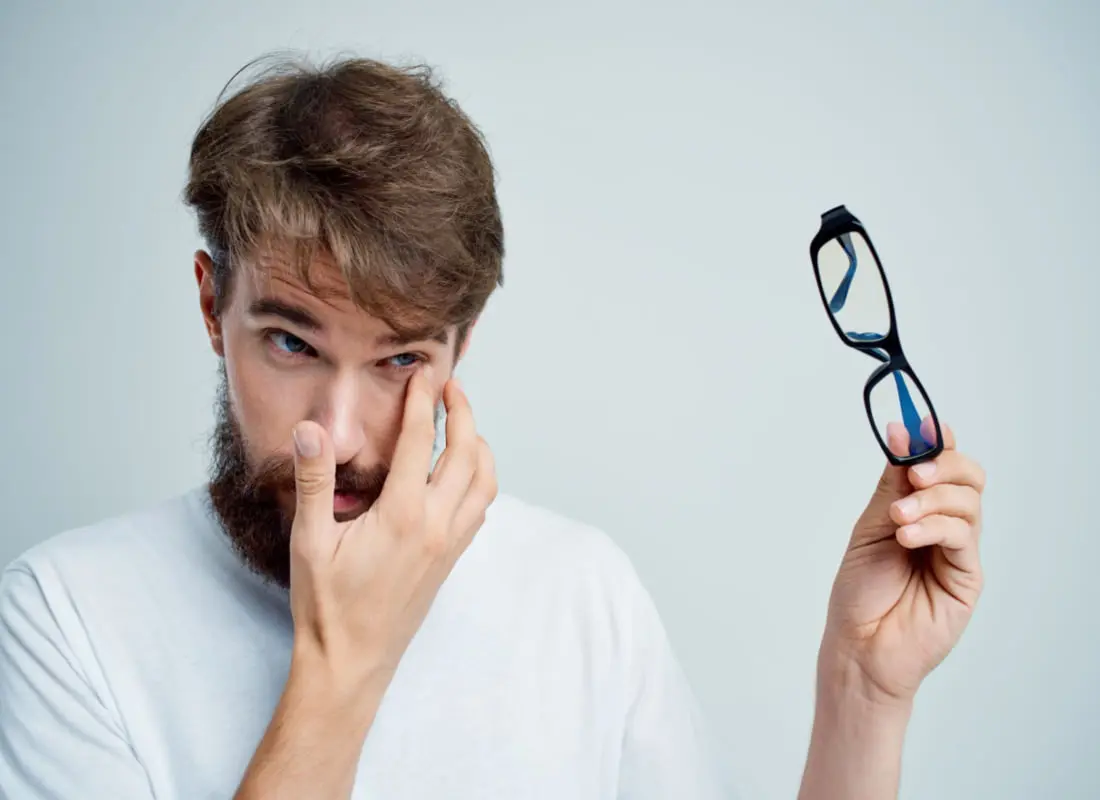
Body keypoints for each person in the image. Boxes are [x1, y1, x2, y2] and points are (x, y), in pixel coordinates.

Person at [0, 54, 986, 800]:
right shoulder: (64, 620)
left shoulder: (580, 593)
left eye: (398, 360)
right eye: (290, 343)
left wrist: (861, 688)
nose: (335, 437)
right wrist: (344, 663)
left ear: (459, 347)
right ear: (213, 306)